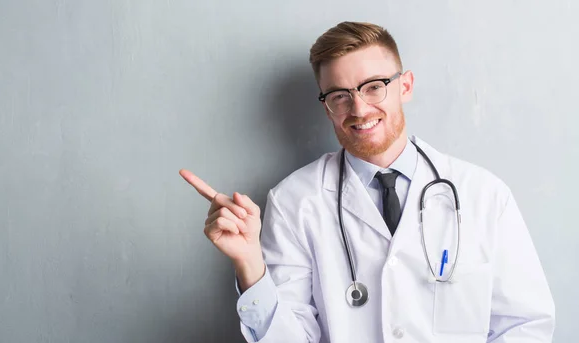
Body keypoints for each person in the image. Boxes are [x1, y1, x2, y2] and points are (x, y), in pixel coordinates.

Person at [180, 21, 555, 343]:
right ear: (325, 106)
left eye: (374, 86)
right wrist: (250, 265)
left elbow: (525, 325)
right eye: (340, 95)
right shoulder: (295, 201)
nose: (358, 108)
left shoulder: (483, 195)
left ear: (405, 86)